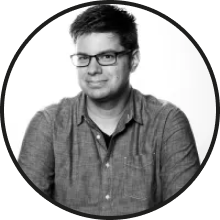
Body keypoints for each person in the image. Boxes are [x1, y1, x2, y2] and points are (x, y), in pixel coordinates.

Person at [18, 4, 200, 216]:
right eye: (84, 58)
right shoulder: (48, 125)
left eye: (106, 57)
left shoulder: (167, 122)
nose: (92, 69)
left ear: (133, 60)